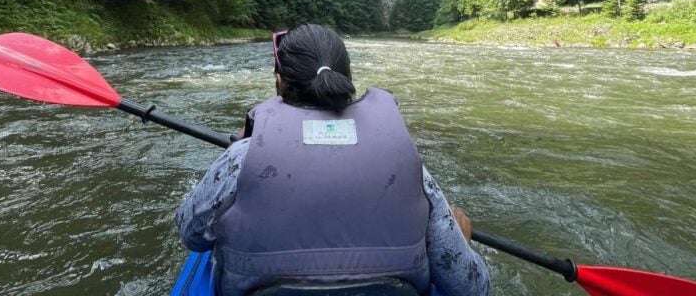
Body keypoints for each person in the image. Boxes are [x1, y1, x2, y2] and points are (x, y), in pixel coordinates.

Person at [176, 24, 490, 295]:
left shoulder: (241, 159)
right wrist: (461, 244)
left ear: (280, 83)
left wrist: (243, 146)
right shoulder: (411, 167)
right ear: (345, 79)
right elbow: (472, 287)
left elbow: (191, 234)